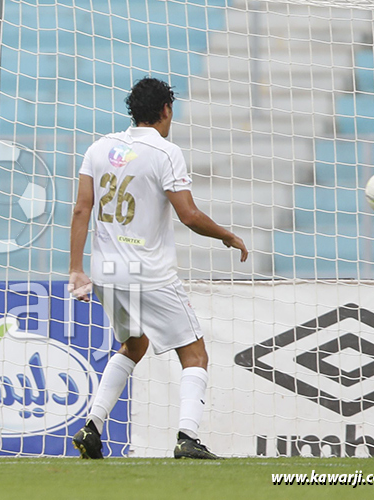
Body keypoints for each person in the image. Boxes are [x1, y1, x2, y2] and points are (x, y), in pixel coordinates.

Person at [68, 77, 247, 460]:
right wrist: (225, 235)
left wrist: (76, 268)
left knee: (134, 344)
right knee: (195, 354)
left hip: (106, 269)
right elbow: (188, 214)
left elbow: (82, 209)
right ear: (166, 110)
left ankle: (92, 428)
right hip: (147, 269)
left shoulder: (99, 148)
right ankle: (187, 436)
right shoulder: (165, 152)